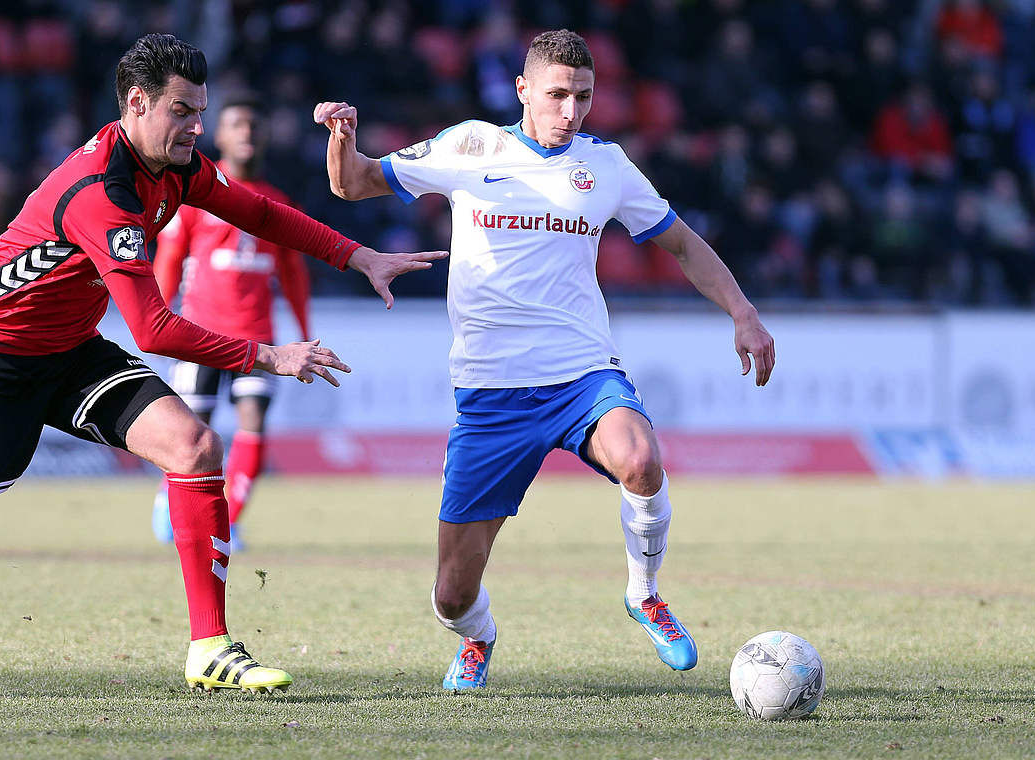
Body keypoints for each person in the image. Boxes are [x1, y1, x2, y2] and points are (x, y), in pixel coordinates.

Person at [0, 33, 443, 700]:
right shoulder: (101, 190)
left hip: (66, 351)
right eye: (184, 111)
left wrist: (358, 256)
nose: (197, 126)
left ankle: (209, 647)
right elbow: (152, 327)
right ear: (138, 102)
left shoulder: (175, 166)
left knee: (194, 444)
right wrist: (267, 355)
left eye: (201, 111)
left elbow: (260, 211)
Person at [314, 29, 775, 691]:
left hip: (581, 374)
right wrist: (342, 136)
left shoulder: (607, 166)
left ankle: (643, 593)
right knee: (450, 595)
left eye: (583, 97)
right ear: (523, 89)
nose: (571, 111)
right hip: (490, 394)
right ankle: (480, 637)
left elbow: (682, 244)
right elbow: (353, 183)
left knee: (641, 459)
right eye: (558, 94)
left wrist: (743, 311)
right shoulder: (470, 146)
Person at [150, 92, 310, 551]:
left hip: (258, 337)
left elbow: (293, 273)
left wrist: (302, 326)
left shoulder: (276, 201)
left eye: (253, 126)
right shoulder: (196, 196)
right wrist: (157, 318)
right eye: (237, 124)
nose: (246, 133)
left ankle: (228, 521)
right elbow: (169, 258)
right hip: (200, 333)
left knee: (253, 420)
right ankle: (171, 498)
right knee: (191, 432)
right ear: (218, 134)